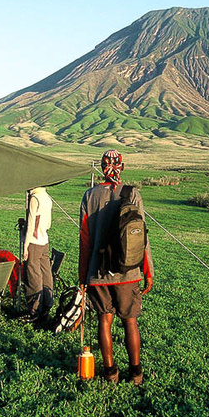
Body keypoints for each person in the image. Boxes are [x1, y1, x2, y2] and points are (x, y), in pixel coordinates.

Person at [78, 150, 153, 385]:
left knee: (104, 319)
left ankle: (110, 372)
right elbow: (142, 237)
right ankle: (136, 373)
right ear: (122, 167)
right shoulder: (133, 194)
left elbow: (85, 239)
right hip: (128, 271)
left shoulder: (89, 195)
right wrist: (148, 272)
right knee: (130, 320)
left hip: (98, 272)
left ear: (102, 167)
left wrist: (84, 276)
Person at [20, 186, 54, 323]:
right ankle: (47, 305)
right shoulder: (47, 198)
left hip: (34, 242)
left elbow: (31, 226)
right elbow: (48, 224)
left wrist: (25, 246)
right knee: (46, 274)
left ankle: (34, 310)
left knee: (33, 276)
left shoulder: (34, 198)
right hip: (44, 241)